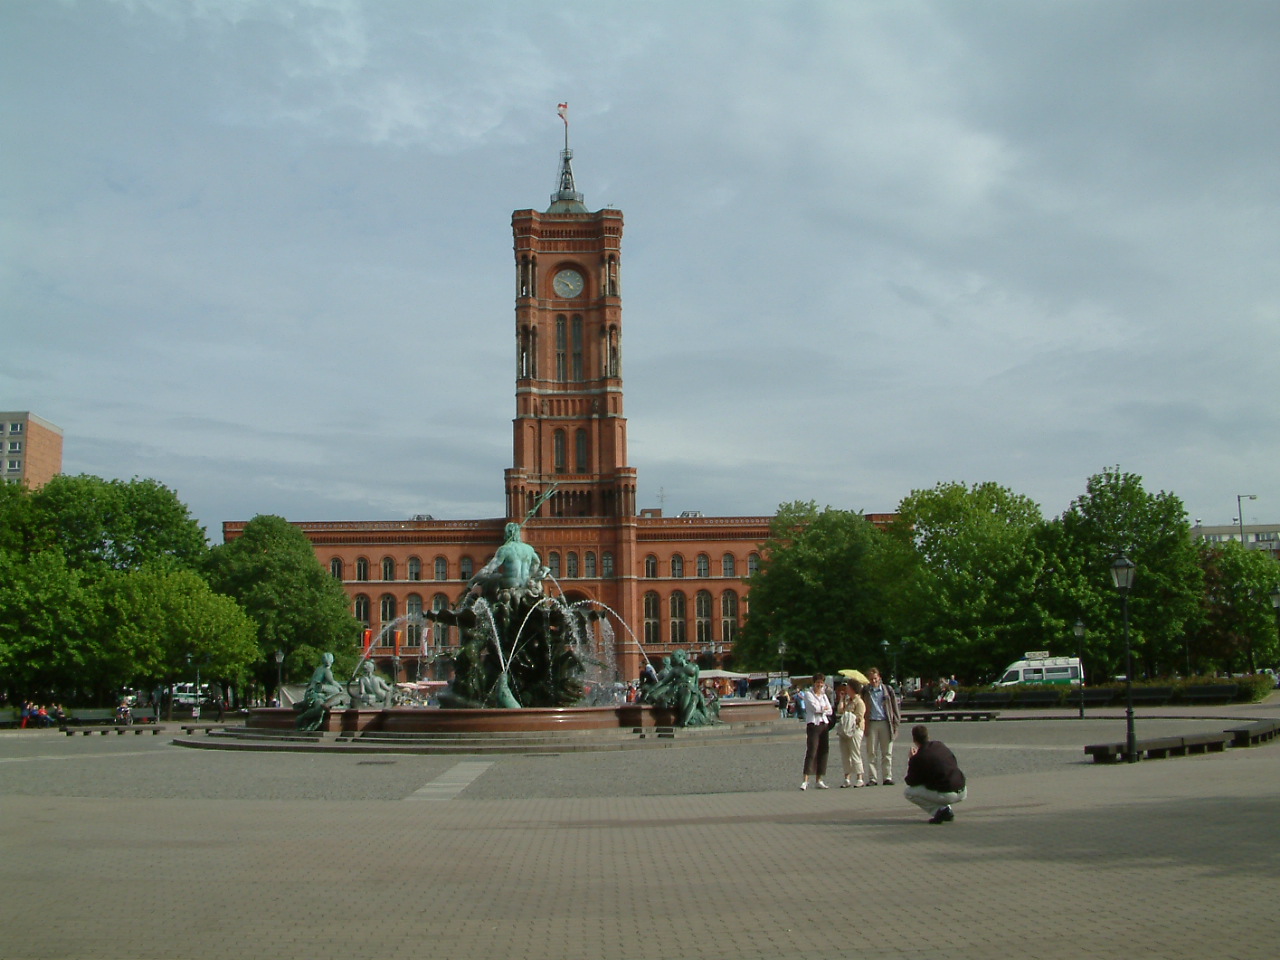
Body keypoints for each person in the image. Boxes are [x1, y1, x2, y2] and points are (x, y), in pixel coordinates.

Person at [903, 724, 967, 824]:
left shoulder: (918, 758)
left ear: (914, 740)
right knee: (939, 782)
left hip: (948, 793)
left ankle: (939, 811)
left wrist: (912, 760)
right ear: (928, 736)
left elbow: (910, 781)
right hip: (962, 789)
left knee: (909, 792)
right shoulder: (939, 745)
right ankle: (946, 809)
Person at [861, 667, 900, 785]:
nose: (874, 681)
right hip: (871, 722)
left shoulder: (887, 690)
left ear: (880, 678)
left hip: (885, 722)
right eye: (872, 679)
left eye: (876, 679)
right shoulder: (866, 691)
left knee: (887, 752)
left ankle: (887, 776)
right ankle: (873, 778)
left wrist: (896, 722)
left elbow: (895, 707)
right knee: (871, 752)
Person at [799, 674, 833, 790]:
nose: (820, 685)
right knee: (812, 750)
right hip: (813, 724)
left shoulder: (823, 695)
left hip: (824, 724)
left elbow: (830, 710)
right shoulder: (808, 694)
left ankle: (819, 779)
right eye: (818, 682)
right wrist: (823, 709)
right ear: (814, 683)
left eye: (821, 683)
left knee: (823, 751)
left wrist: (822, 709)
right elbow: (815, 708)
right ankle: (805, 780)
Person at [835, 679, 866, 787]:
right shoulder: (848, 701)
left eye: (848, 687)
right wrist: (842, 699)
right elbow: (840, 710)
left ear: (853, 689)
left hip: (855, 730)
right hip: (844, 731)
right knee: (845, 754)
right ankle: (847, 778)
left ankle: (859, 777)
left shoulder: (859, 702)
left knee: (855, 753)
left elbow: (859, 717)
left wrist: (849, 718)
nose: (846, 689)